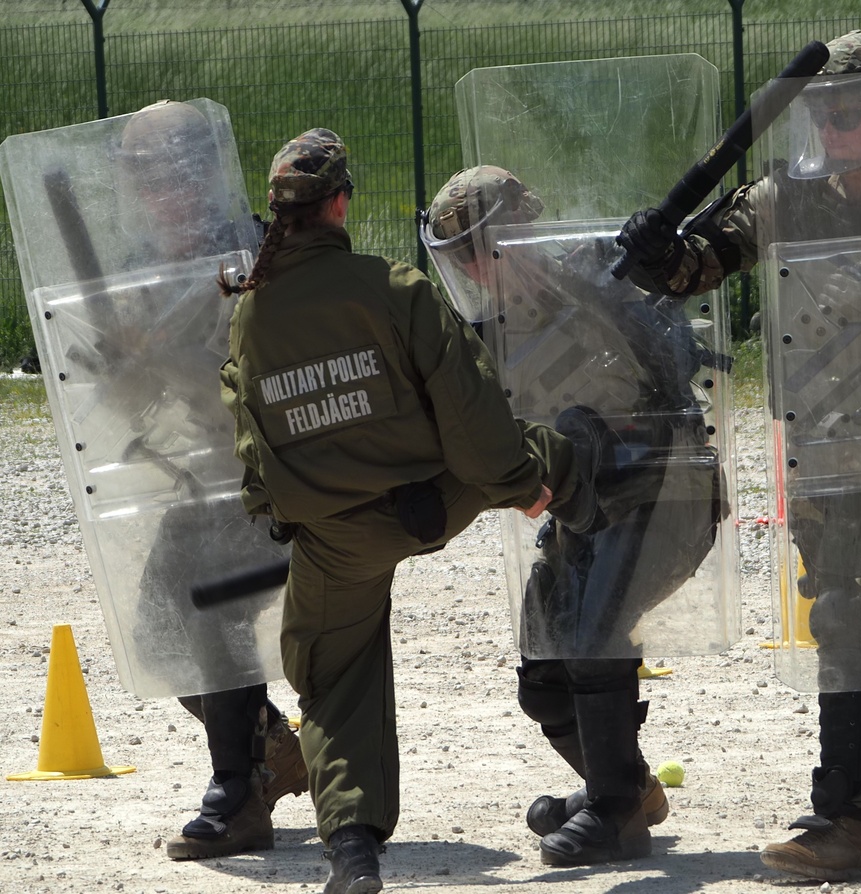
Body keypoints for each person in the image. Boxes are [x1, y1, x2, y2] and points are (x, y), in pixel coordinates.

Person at [616, 31, 861, 881]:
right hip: (825, 453)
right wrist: (657, 251)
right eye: (822, 110)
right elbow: (695, 266)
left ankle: (841, 818)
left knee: (856, 619)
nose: (835, 124)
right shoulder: (784, 198)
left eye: (854, 107)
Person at [218, 129, 597, 894]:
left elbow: (254, 459)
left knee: (336, 682)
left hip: (337, 540)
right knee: (558, 451)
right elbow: (472, 411)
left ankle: (352, 854)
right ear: (341, 204)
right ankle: (601, 557)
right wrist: (524, 483)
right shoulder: (395, 288)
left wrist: (298, 521)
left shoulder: (249, 320)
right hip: (439, 497)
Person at [421, 165, 726, 866]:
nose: (475, 267)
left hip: (661, 493)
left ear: (521, 231)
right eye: (460, 257)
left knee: (594, 642)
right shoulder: (488, 335)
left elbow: (678, 357)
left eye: (483, 246)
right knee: (545, 680)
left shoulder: (602, 273)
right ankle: (625, 785)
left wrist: (632, 281)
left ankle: (616, 813)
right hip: (582, 508)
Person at [111, 100, 309, 861]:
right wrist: (117, 362)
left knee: (209, 609)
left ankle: (237, 796)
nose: (160, 192)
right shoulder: (141, 272)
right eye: (145, 178)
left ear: (200, 172)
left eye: (170, 173)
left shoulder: (259, 252)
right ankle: (268, 747)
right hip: (206, 482)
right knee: (158, 641)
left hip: (276, 481)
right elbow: (133, 396)